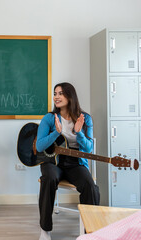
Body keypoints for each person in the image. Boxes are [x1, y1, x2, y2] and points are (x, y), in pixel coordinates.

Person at [36, 82, 100, 240]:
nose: (56, 97)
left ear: (70, 96)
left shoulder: (86, 119)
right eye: (55, 93)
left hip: (76, 161)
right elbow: (39, 146)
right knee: (49, 179)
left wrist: (79, 133)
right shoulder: (49, 118)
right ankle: (45, 229)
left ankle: (90, 232)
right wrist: (56, 133)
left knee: (91, 187)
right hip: (53, 161)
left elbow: (89, 148)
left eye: (60, 93)